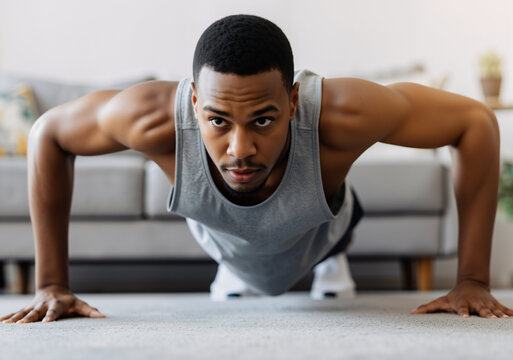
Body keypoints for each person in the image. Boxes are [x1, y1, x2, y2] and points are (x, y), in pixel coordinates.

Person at [2, 14, 512, 324]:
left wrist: (472, 278)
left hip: (321, 231)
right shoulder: (151, 120)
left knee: (336, 216)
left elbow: (474, 123)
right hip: (222, 233)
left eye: (263, 119)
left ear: (293, 101)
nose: (240, 148)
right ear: (195, 101)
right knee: (236, 236)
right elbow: (49, 133)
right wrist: (51, 283)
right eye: (218, 121)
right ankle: (235, 264)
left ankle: (331, 260)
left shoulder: (343, 112)